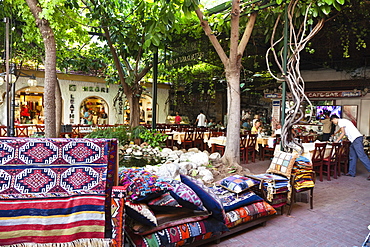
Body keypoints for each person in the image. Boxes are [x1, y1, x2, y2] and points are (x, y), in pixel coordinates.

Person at [330, 115, 370, 180]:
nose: (334, 123)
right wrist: (335, 134)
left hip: (356, 139)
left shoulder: (340, 122)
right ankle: (351, 172)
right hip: (353, 140)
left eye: (332, 121)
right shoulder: (344, 121)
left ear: (334, 119)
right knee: (352, 156)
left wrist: (336, 141)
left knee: (362, 156)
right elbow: (341, 130)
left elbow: (343, 133)